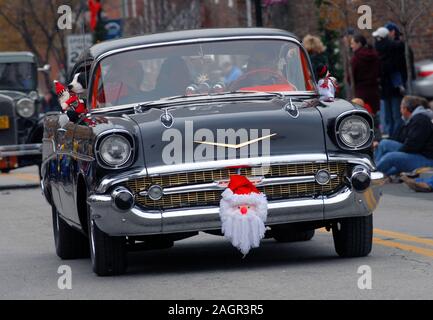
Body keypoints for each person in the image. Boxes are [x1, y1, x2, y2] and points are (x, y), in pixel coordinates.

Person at [375, 95, 433, 177]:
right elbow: (400, 138)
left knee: (390, 157)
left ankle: (372, 173)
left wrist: (397, 152)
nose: (400, 111)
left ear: (405, 109)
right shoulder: (413, 119)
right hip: (417, 152)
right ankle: (376, 169)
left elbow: (413, 145)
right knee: (384, 143)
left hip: (426, 159)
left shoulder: (420, 120)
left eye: (401, 108)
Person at [373, 26, 404, 137]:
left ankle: (395, 136)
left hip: (389, 86)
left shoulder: (390, 49)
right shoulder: (394, 47)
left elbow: (392, 67)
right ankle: (394, 135)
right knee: (392, 115)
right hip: (390, 86)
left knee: (393, 115)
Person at [350, 34, 381, 114]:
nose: (351, 46)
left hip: (361, 91)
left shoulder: (355, 58)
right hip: (374, 89)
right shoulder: (374, 55)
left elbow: (351, 76)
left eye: (352, 43)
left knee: (363, 114)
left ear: (359, 43)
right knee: (374, 113)